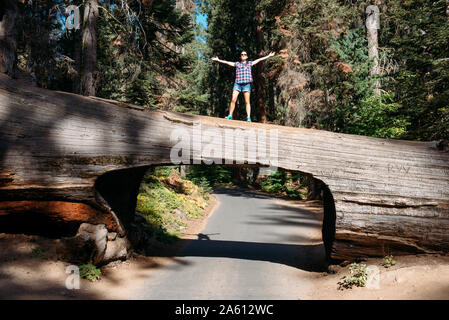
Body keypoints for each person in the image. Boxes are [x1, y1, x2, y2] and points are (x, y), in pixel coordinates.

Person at [212, 50, 275, 122]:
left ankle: (248, 117)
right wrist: (218, 60)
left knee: (247, 101)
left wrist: (268, 56)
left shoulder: (249, 63)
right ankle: (230, 115)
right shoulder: (237, 64)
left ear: (247, 56)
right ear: (240, 56)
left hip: (246, 84)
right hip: (237, 84)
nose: (243, 55)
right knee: (233, 100)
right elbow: (227, 62)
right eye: (242, 54)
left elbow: (259, 60)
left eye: (244, 54)